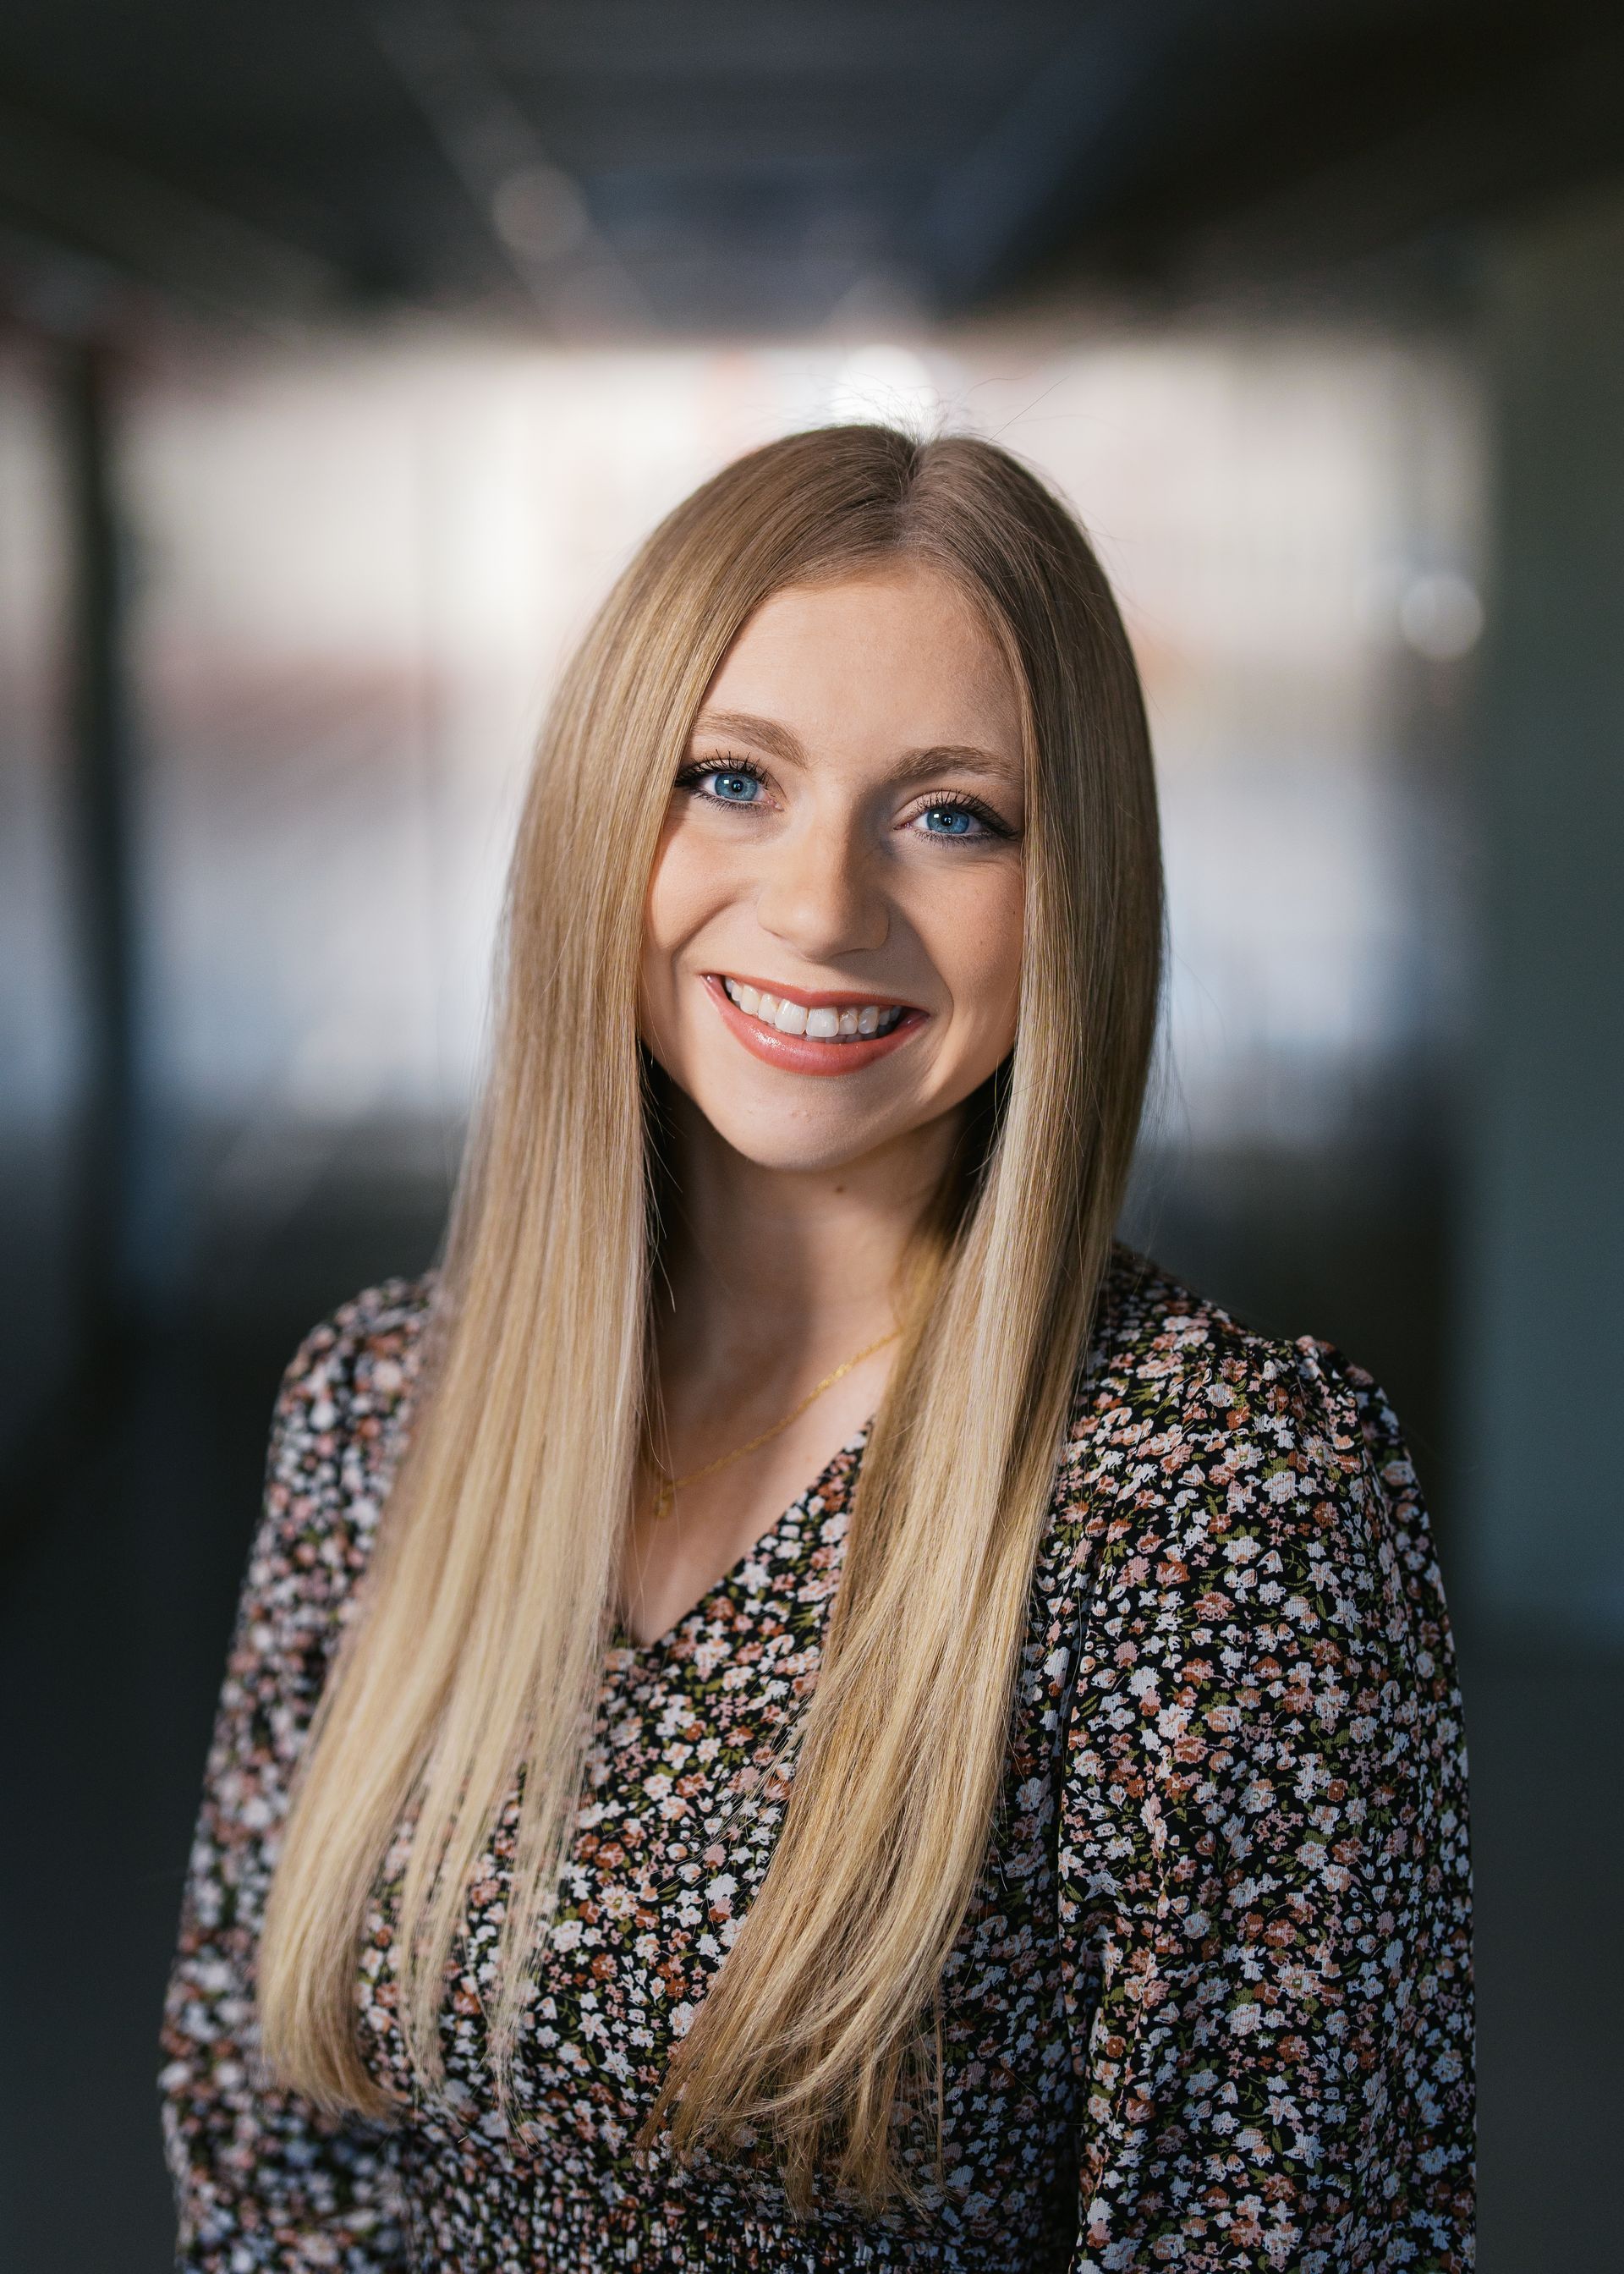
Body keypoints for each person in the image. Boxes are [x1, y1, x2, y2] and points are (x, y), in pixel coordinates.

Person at [159, 424, 1473, 2273]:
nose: (820, 908)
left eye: (953, 814)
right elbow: (274, 2145)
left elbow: (1281, 2234)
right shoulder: (386, 1409)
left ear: (1072, 887)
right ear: (604, 806)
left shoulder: (1219, 1502)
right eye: (729, 779)